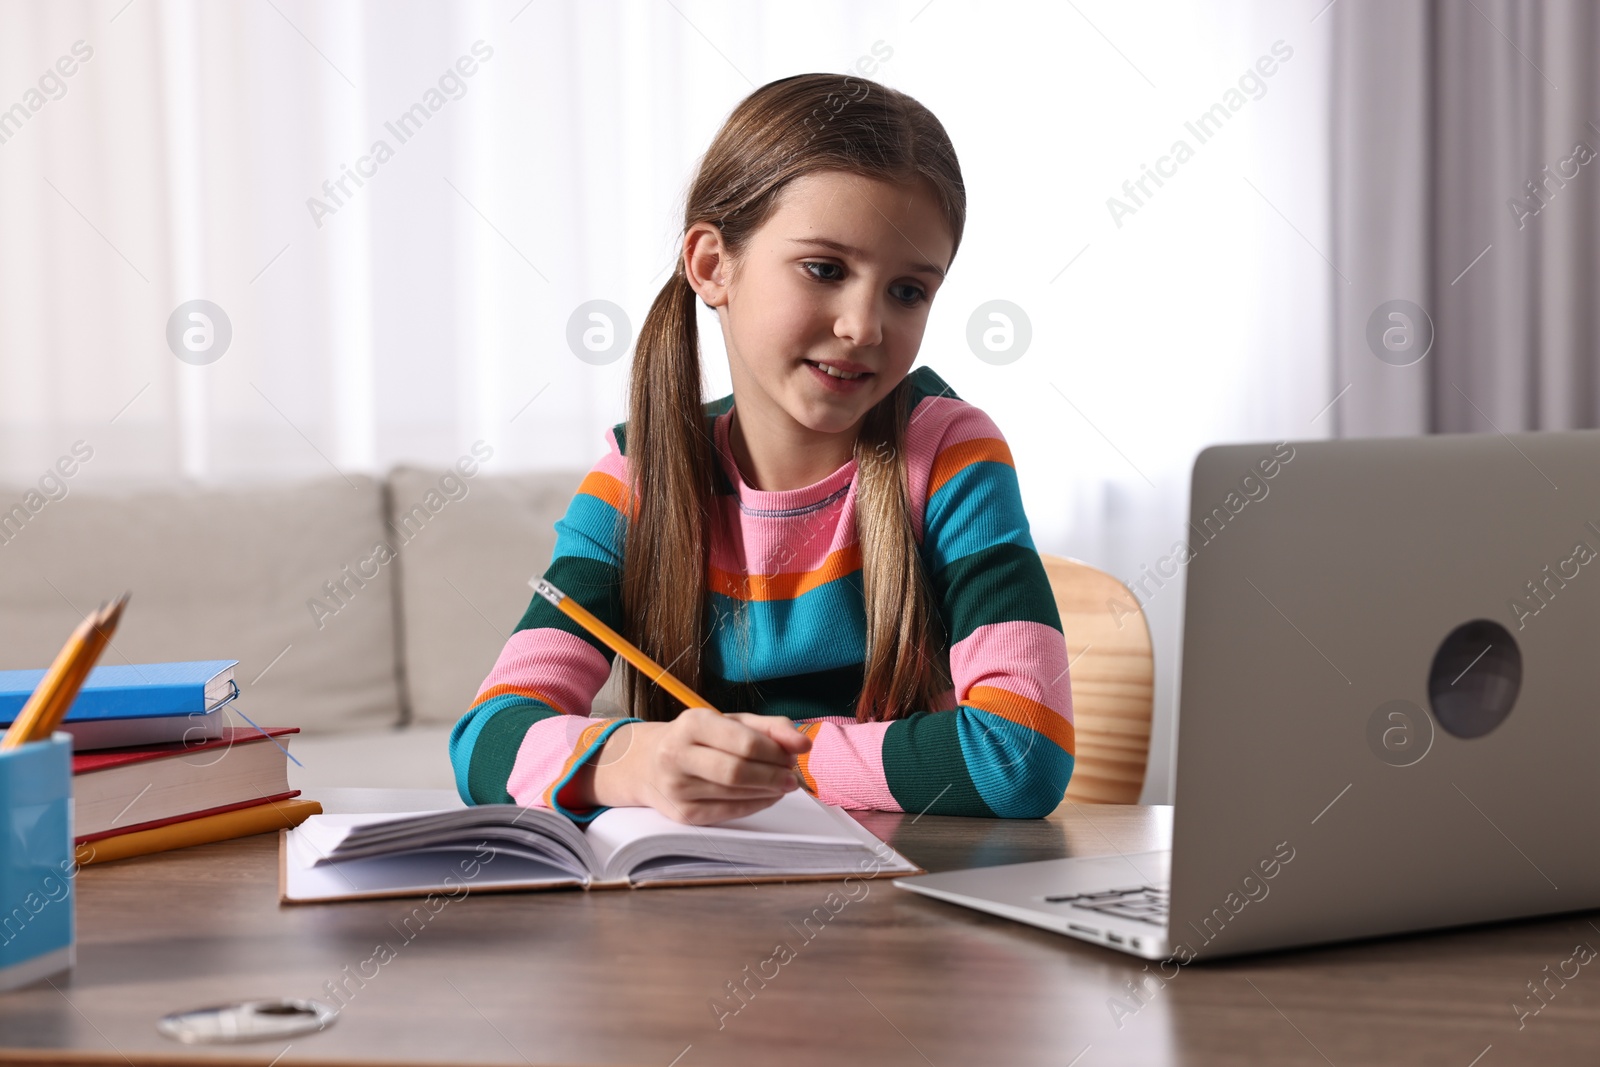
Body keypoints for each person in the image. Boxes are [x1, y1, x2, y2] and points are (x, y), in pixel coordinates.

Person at [449, 73, 1073, 825]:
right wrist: (637, 760)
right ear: (713, 265)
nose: (864, 326)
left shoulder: (950, 455)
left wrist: (767, 758)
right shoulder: (637, 478)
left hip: (909, 907)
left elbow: (1018, 755)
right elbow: (483, 739)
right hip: (704, 907)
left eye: (908, 291)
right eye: (826, 270)